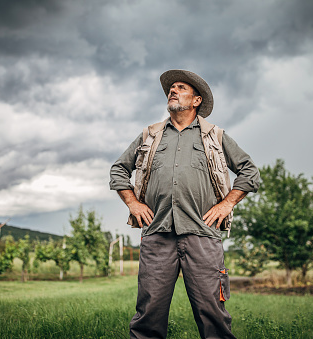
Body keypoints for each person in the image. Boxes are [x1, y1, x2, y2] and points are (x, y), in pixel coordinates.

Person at [110, 69, 260, 339]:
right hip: (157, 236)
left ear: (196, 100)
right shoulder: (150, 135)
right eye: (171, 88)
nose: (173, 90)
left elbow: (250, 172)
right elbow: (118, 170)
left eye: (181, 88)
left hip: (203, 236)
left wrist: (226, 205)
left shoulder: (215, 136)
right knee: (148, 315)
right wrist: (132, 203)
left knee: (213, 315)